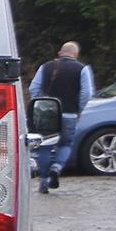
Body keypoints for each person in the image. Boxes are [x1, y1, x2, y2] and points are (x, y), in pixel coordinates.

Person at [31, 42, 95, 193]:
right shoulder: (82, 69)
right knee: (65, 144)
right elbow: (87, 93)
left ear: (60, 52)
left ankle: (44, 181)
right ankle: (57, 167)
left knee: (45, 146)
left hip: (48, 116)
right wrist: (79, 109)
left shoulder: (45, 67)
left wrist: (42, 105)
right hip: (69, 113)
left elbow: (34, 88)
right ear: (76, 54)